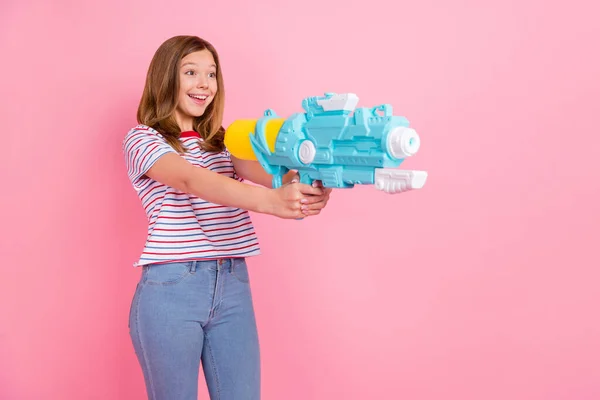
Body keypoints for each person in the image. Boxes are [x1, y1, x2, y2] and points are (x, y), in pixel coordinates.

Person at [122, 35, 331, 400]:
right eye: (191, 72)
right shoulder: (143, 139)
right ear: (164, 78)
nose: (204, 84)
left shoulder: (223, 142)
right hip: (172, 287)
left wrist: (313, 183)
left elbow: (277, 178)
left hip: (233, 283)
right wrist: (272, 202)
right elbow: (192, 180)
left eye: (212, 74)